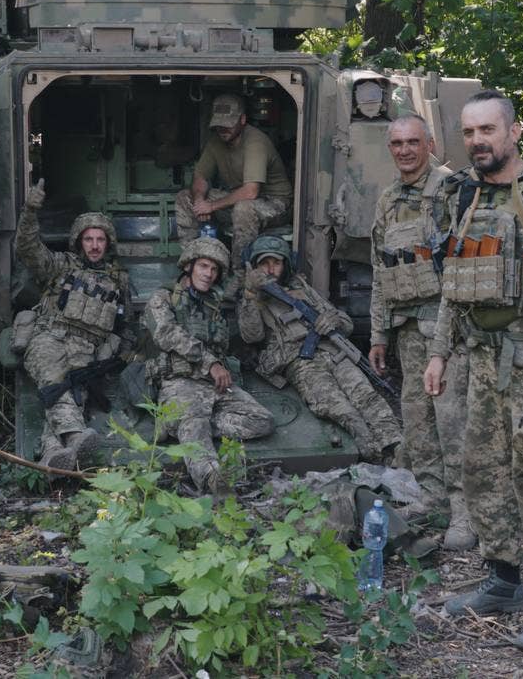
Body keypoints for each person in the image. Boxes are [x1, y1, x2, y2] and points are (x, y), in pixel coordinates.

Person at [422, 90, 523, 650]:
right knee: (482, 471)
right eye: (469, 133)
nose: (478, 142)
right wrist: (439, 352)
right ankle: (505, 580)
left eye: (488, 131)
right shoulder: (466, 196)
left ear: (514, 132)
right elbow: (453, 281)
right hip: (482, 359)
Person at [367, 116, 473, 549]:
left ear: (430, 143)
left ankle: (466, 512)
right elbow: (380, 269)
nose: (405, 150)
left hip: (447, 332)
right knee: (418, 422)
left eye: (414, 142)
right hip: (409, 331)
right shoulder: (388, 199)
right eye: (397, 143)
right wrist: (377, 333)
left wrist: (447, 340)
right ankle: (433, 498)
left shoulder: (451, 191)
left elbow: (465, 268)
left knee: (453, 423)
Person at [238, 234, 402, 462]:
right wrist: (249, 294)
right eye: (265, 263)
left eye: (276, 262)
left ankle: (397, 447)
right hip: (300, 361)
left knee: (367, 397)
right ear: (255, 266)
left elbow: (346, 324)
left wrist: (332, 320)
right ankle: (374, 453)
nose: (270, 269)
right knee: (338, 407)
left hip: (332, 352)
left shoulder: (301, 289)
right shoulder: (253, 299)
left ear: (285, 264)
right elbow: (251, 336)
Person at [16, 179, 134, 471]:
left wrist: (119, 354)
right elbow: (27, 247)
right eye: (88, 239)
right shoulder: (59, 266)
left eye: (100, 240)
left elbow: (124, 324)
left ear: (108, 243)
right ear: (78, 241)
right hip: (49, 338)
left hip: (86, 350)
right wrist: (30, 211)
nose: (94, 246)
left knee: (75, 396)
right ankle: (75, 435)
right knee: (57, 385)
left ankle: (54, 454)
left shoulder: (119, 280)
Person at [142, 237, 274, 495]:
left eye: (214, 269)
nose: (209, 274)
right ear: (189, 266)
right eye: (203, 266)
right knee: (195, 421)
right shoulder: (163, 297)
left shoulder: (214, 304)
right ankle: (213, 480)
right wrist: (210, 363)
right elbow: (166, 333)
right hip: (179, 380)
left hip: (213, 385)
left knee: (262, 421)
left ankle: (180, 425)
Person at [174, 93, 293, 262]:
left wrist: (212, 206)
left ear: (242, 120)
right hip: (240, 200)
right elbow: (200, 176)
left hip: (276, 204)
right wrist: (200, 201)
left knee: (244, 209)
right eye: (219, 124)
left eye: (228, 124)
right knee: (185, 198)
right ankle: (193, 262)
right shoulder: (216, 142)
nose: (223, 129)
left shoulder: (255, 142)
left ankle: (240, 271)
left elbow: (251, 192)